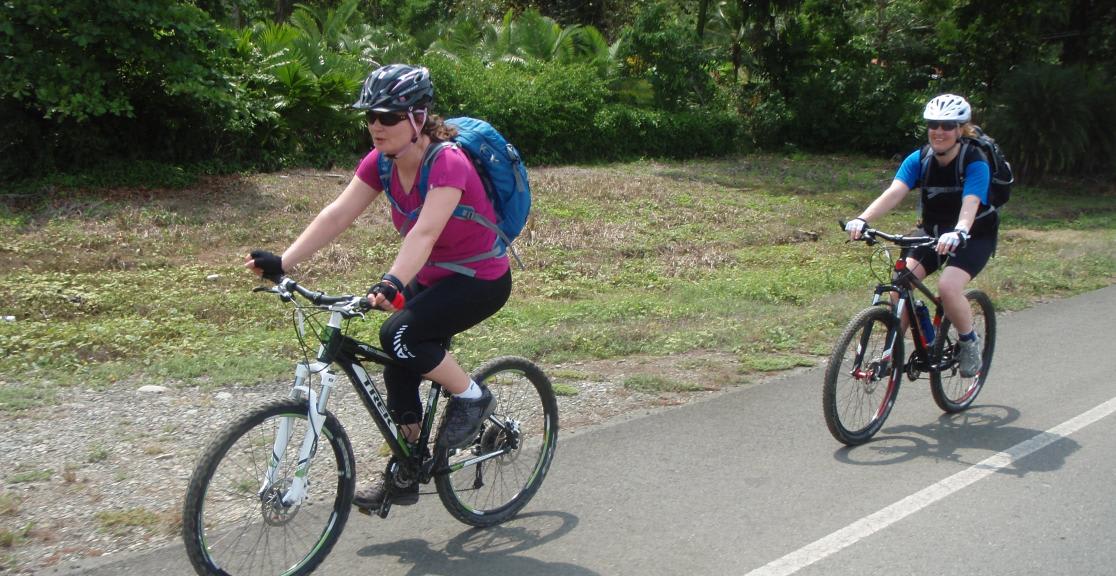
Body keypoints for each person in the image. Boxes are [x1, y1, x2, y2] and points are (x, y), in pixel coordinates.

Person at [244, 64, 512, 510]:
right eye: (370, 115)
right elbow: (337, 214)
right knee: (397, 364)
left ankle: (473, 397)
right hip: (432, 276)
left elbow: (423, 234)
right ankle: (409, 469)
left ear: (418, 118)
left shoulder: (448, 162)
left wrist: (392, 281)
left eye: (388, 116)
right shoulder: (381, 163)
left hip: (479, 278)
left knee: (400, 335)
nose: (375, 125)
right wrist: (283, 261)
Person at [845, 93, 996, 378]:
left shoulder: (975, 161)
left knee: (949, 288)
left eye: (948, 125)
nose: (939, 131)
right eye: (933, 124)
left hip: (973, 235)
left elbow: (970, 204)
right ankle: (892, 353)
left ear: (960, 129)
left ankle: (968, 341)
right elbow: (895, 192)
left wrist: (960, 231)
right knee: (900, 282)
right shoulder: (920, 158)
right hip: (932, 232)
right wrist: (862, 219)